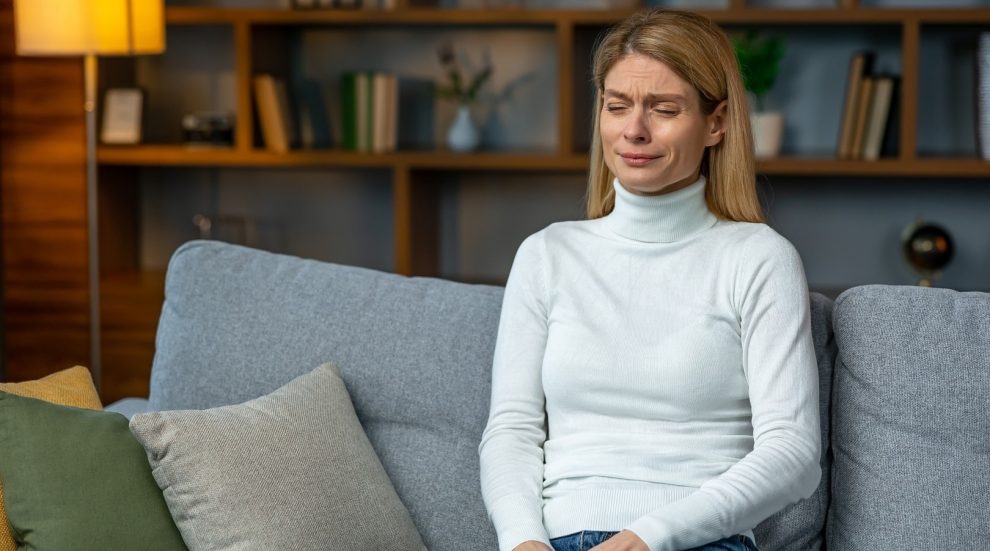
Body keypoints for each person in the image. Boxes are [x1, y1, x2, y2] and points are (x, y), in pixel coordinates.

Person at [478, 8, 821, 551]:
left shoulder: (757, 258)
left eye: (664, 109)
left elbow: (794, 454)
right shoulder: (548, 254)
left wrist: (647, 537)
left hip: (698, 541)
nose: (634, 130)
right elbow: (512, 431)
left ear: (717, 122)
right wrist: (522, 541)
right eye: (617, 107)